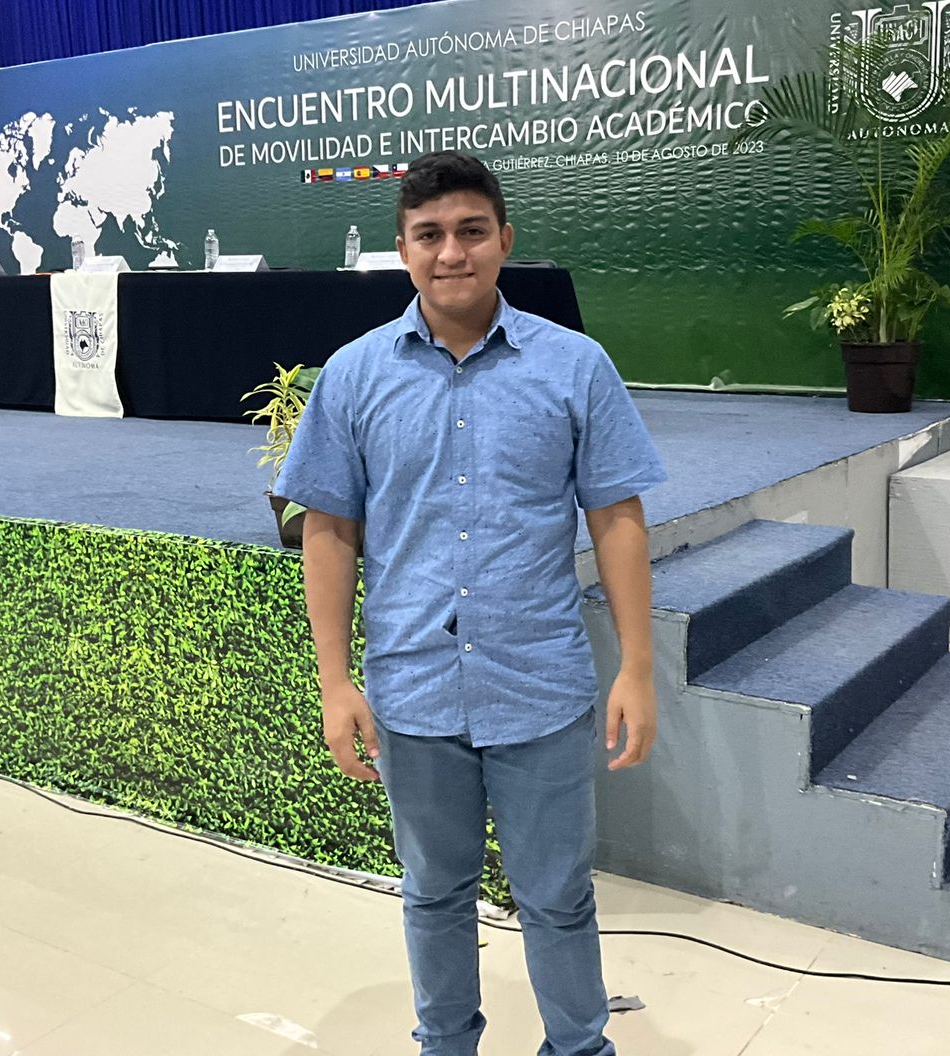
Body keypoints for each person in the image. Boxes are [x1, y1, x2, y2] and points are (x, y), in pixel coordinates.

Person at [277, 151, 664, 1056]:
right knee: (433, 894)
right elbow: (328, 533)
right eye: (430, 235)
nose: (451, 252)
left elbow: (616, 518)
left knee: (557, 896)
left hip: (539, 686)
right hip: (413, 689)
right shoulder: (354, 375)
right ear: (403, 248)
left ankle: (579, 1046)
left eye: (470, 231)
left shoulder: (574, 367)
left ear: (505, 241)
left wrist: (638, 668)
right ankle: (445, 1045)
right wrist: (335, 684)